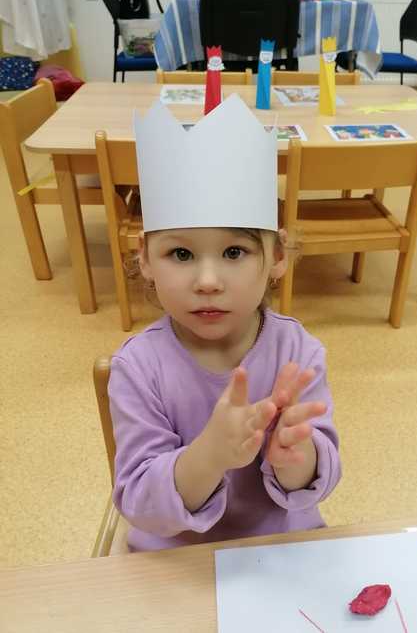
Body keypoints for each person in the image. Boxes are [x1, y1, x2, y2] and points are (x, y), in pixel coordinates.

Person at [109, 94, 342, 552]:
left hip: (280, 549)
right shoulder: (138, 367)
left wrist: (297, 457)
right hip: (178, 559)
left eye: (234, 252)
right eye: (181, 253)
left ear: (278, 256)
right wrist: (209, 455)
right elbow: (140, 504)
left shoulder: (298, 352)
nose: (208, 281)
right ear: (145, 259)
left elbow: (319, 480)